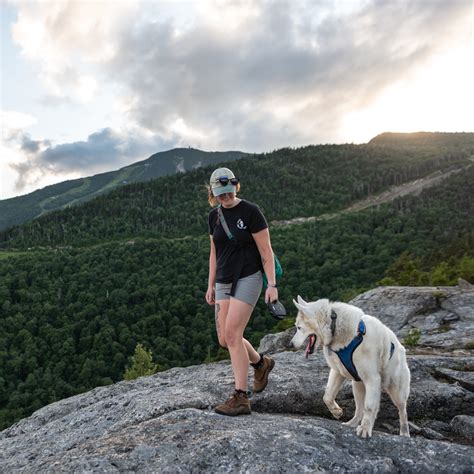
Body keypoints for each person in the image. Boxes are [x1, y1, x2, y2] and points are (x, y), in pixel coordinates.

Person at [205, 167, 277, 416]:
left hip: (249, 276)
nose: (225, 198)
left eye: (228, 192)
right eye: (220, 194)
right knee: (224, 339)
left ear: (235, 186)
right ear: (213, 193)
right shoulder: (213, 217)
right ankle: (260, 364)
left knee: (234, 333)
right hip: (224, 279)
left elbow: (266, 251)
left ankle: (241, 396)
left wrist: (272, 285)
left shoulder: (251, 212)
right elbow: (214, 253)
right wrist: (210, 284)